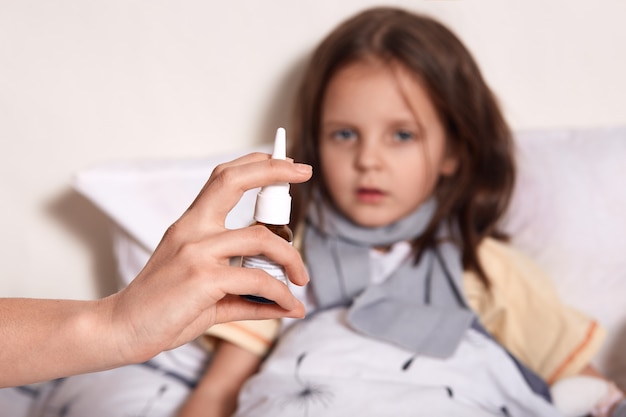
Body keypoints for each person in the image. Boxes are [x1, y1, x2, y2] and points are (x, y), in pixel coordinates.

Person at [178, 6, 626, 417]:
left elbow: (591, 392)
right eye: (345, 135)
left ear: (453, 150)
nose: (369, 160)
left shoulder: (489, 270)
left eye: (402, 136)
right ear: (315, 144)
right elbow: (220, 392)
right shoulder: (287, 260)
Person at [0, 152, 312, 389]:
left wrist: (116, 327)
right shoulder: (280, 239)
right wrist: (117, 325)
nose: (363, 161)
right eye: (343, 134)